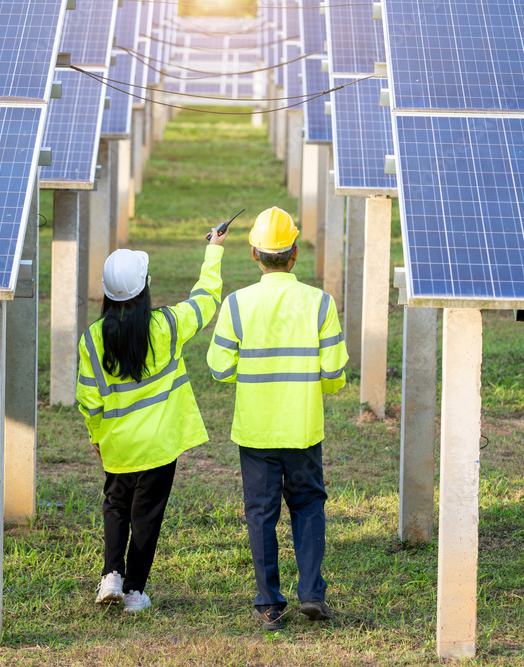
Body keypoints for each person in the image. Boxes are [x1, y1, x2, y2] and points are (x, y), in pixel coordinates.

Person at [206, 206, 348, 631]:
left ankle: (269, 604)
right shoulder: (321, 303)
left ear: (254, 254)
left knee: (260, 514)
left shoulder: (236, 304)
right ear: (294, 253)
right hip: (303, 427)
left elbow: (218, 367)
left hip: (255, 430)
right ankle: (312, 594)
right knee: (308, 507)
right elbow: (335, 374)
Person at [76, 227, 226, 613]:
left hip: (117, 445)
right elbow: (206, 300)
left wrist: (97, 436)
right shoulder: (168, 326)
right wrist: (214, 251)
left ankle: (111, 575)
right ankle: (135, 592)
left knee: (115, 505)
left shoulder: (92, 339)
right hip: (160, 446)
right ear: (145, 289)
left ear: (108, 293)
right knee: (147, 516)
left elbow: (88, 399)